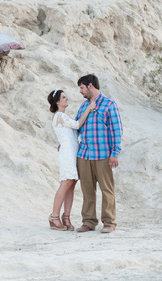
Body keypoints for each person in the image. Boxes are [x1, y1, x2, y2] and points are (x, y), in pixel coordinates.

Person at [75, 74, 123, 233]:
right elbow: (76, 126)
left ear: (90, 86)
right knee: (87, 190)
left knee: (107, 189)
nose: (80, 91)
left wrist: (115, 153)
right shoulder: (83, 106)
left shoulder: (109, 105)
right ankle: (88, 221)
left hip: (103, 155)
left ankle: (109, 222)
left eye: (82, 88)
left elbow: (117, 130)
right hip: (84, 155)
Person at [47, 89, 95, 231]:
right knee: (66, 182)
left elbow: (69, 134)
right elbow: (77, 125)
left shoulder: (63, 116)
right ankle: (54, 216)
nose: (66, 98)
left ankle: (66, 216)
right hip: (67, 154)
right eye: (63, 97)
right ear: (57, 102)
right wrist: (88, 108)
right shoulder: (59, 115)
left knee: (72, 183)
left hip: (73, 152)